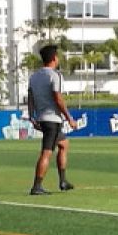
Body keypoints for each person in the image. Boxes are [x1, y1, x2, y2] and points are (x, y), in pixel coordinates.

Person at [27, 44, 76, 195]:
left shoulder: (34, 76)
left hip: (42, 117)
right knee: (46, 152)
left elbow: (30, 98)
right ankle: (37, 186)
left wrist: (32, 116)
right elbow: (58, 98)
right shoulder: (55, 76)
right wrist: (69, 118)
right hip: (52, 119)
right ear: (54, 58)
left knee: (64, 145)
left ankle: (63, 181)